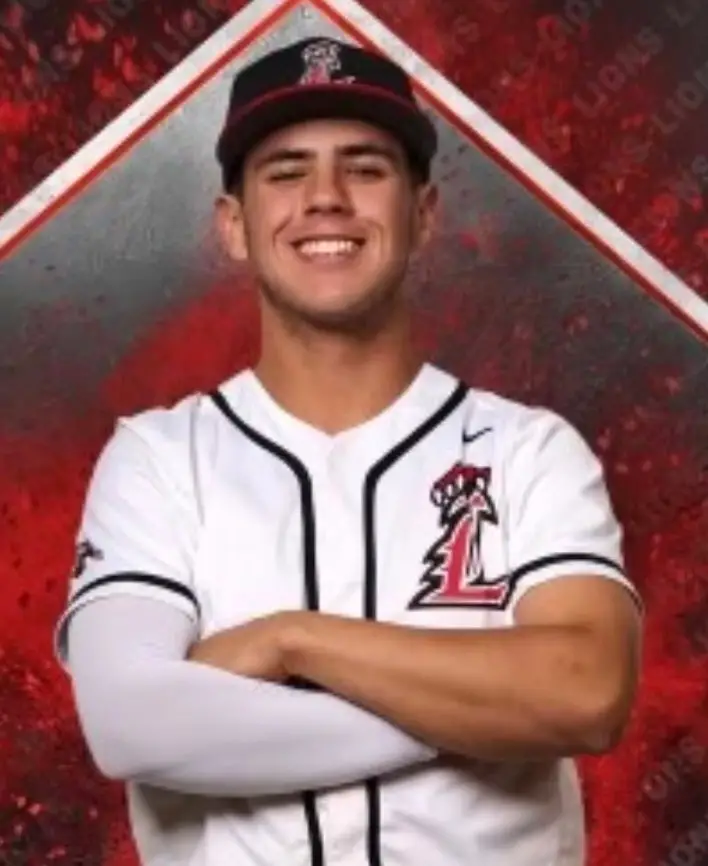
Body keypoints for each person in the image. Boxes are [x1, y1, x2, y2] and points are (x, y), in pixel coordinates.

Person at [56, 35, 642, 866]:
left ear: (423, 214)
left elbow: (585, 692)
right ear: (234, 225)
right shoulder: (157, 459)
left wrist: (291, 641)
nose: (325, 198)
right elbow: (131, 725)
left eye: (365, 169)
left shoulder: (528, 451)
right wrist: (485, 710)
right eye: (286, 172)